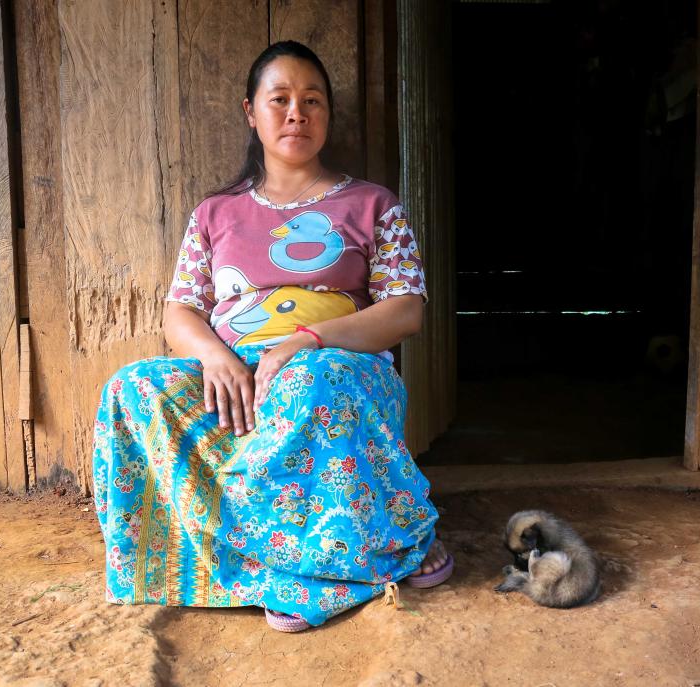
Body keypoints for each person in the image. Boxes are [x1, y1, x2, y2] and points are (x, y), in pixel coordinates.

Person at [91, 40, 452, 633]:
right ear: (250, 112)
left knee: (309, 380)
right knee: (133, 389)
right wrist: (216, 358)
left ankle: (326, 569)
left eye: (312, 101)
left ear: (328, 116)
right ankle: (243, 565)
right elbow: (179, 311)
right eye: (279, 99)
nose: (296, 113)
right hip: (237, 376)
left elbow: (405, 311)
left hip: (336, 371)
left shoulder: (373, 205)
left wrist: (306, 340)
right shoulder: (215, 213)